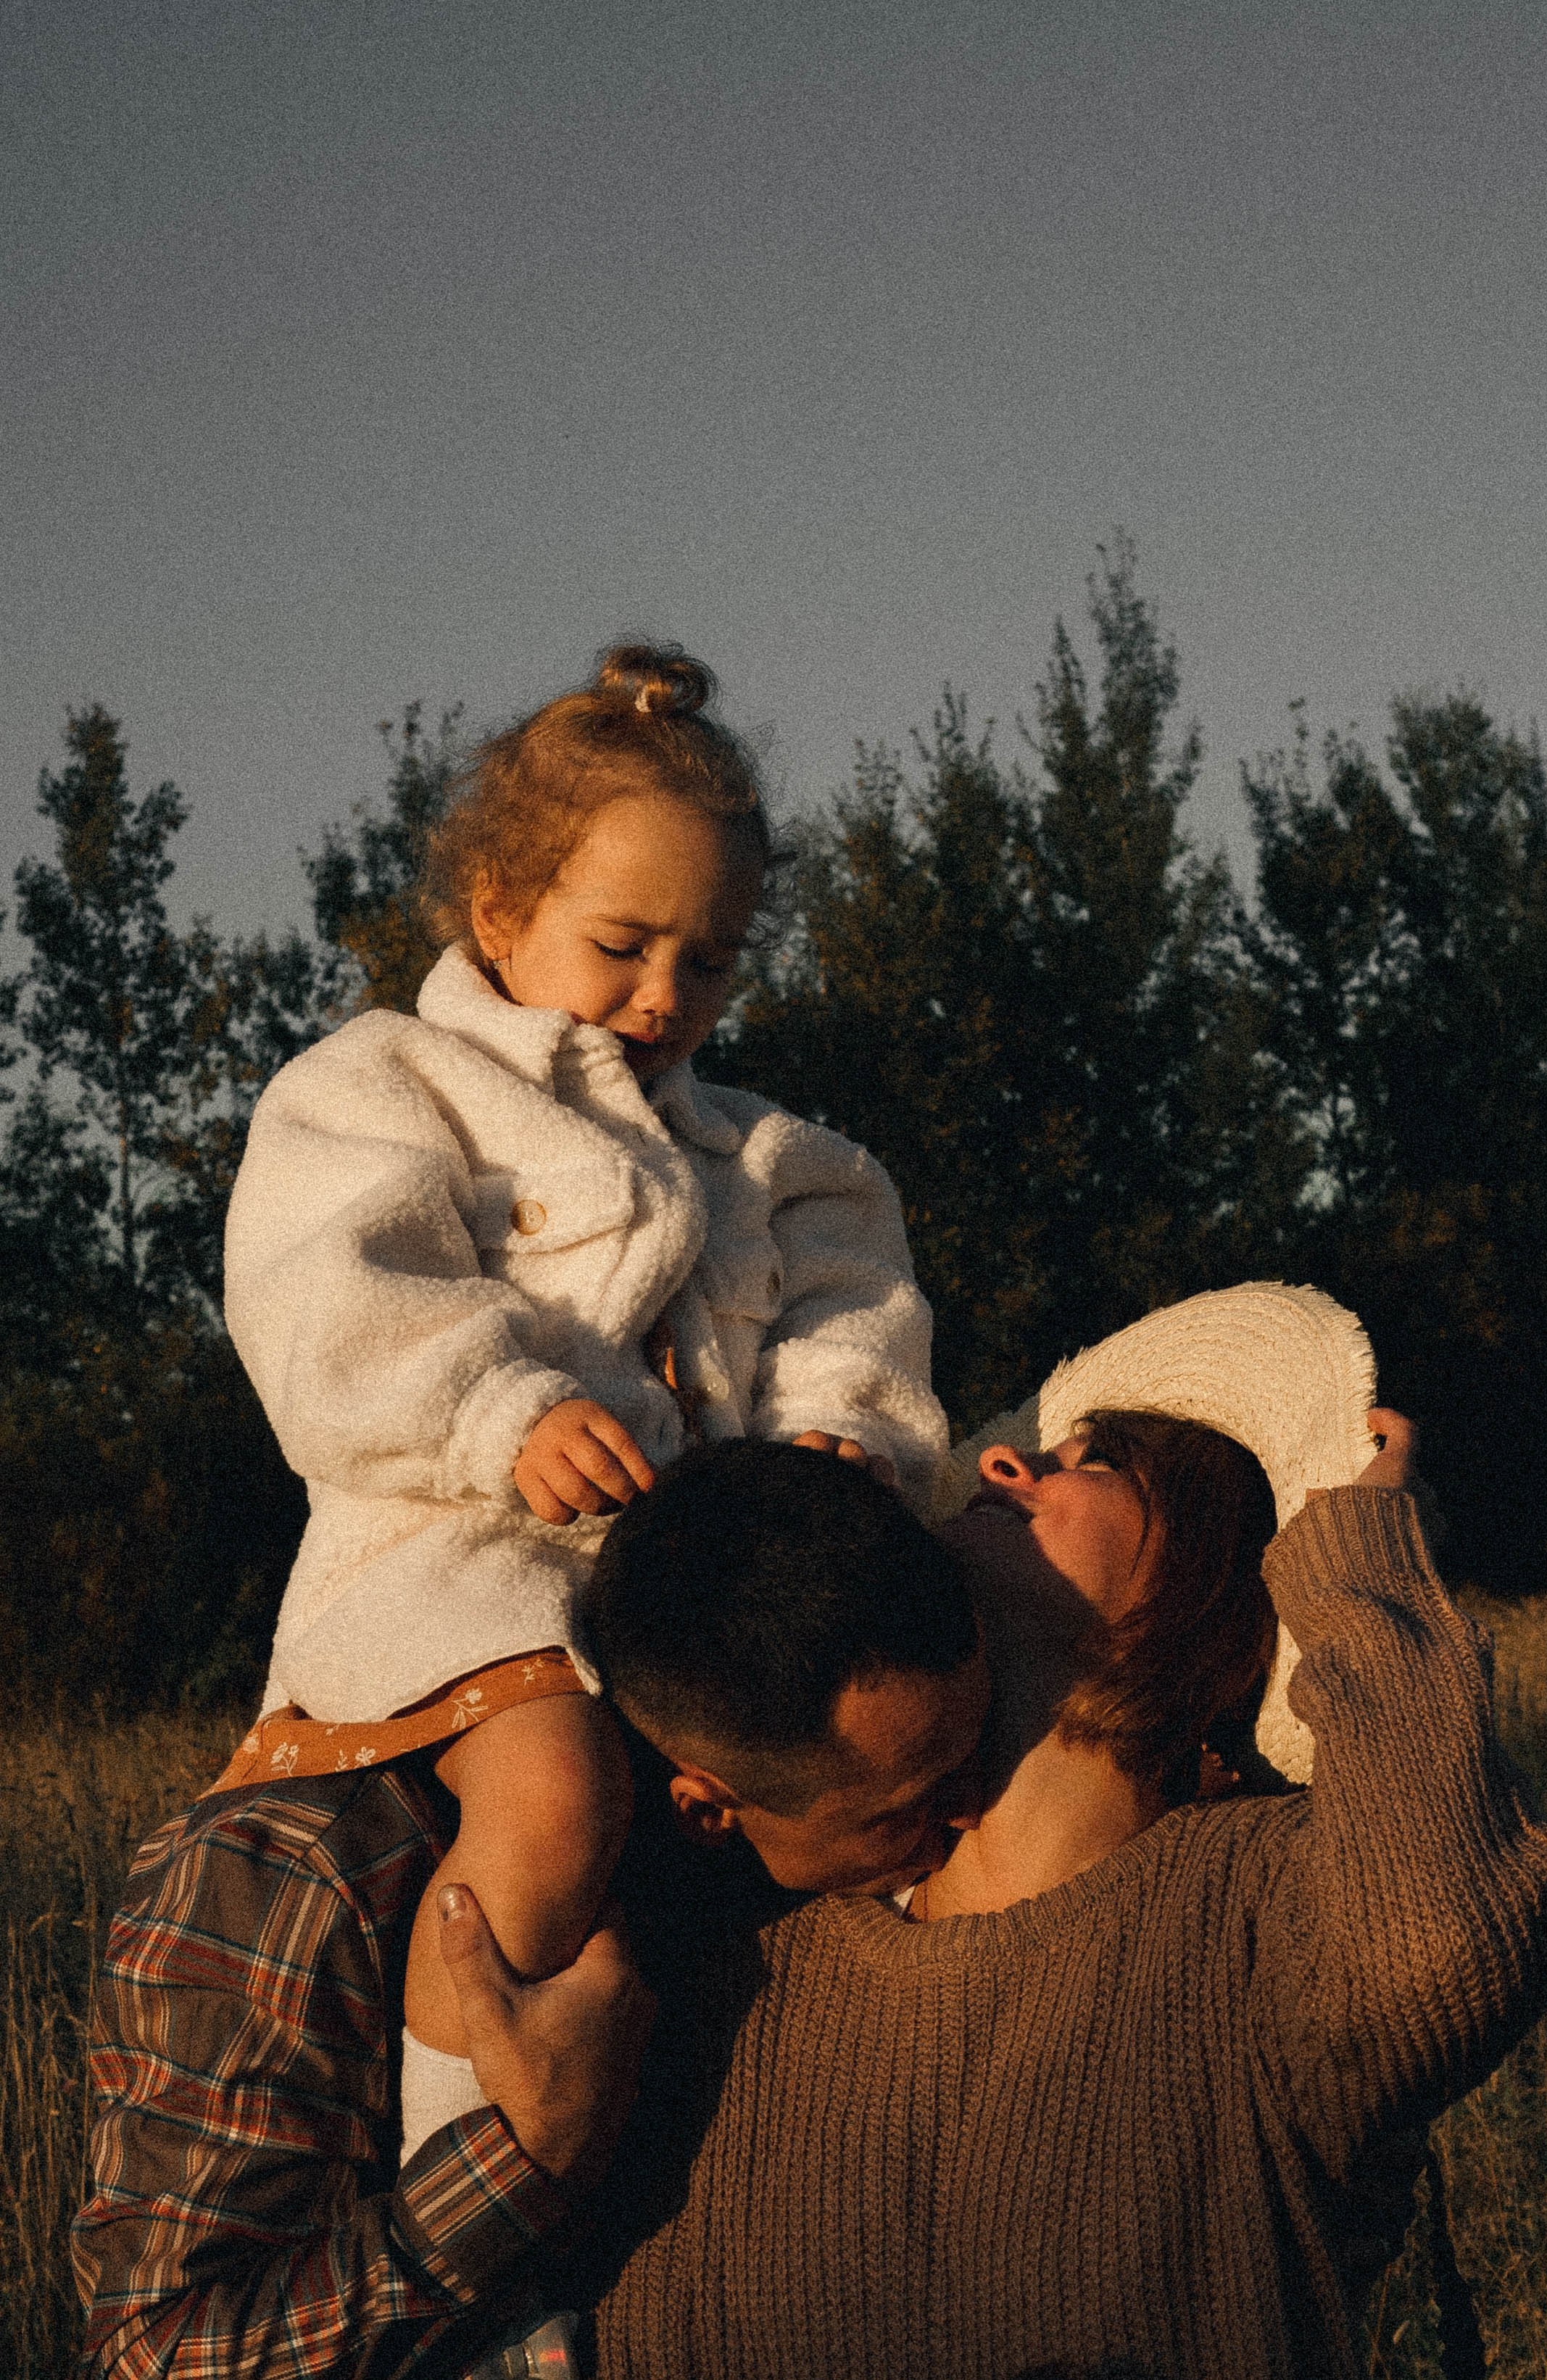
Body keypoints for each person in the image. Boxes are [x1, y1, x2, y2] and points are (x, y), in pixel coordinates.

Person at [217, 642, 948, 2162]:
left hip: (696, 1605)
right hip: (455, 1564)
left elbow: (854, 1303)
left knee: (871, 1772)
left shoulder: (762, 1159)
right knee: (553, 1795)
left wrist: (841, 1437)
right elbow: (326, 1296)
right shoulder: (385, 1086)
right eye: (622, 944)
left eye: (713, 959)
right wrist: (498, 1404)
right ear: (500, 910)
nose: (665, 994)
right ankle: (468, 2183)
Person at [563, 1299, 1547, 2378]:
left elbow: (1447, 1941)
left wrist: (1365, 1564)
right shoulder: (753, 1947)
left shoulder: (1259, 1911)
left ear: (1215, 1572)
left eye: (1092, 1463)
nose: (1002, 1462)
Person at [74, 1445, 986, 2379]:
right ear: (705, 1805)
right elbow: (158, 2358)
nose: (971, 1807)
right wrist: (532, 2150)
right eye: (910, 1801)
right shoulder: (297, 1873)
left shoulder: (743, 1854)